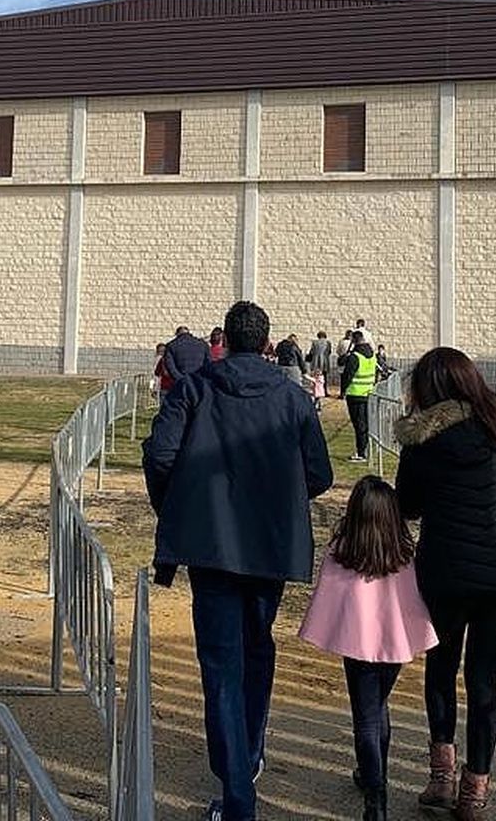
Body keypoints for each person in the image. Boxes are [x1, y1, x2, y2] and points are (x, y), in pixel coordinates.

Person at [142, 301, 333, 821]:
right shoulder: (294, 400)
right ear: (267, 345)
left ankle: (239, 789)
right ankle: (245, 763)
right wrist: (276, 498)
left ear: (224, 338)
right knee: (254, 652)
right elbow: (318, 473)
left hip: (212, 548)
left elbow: (160, 456)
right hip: (267, 547)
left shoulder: (195, 389)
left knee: (223, 666)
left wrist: (183, 507)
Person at [395, 347, 496, 820]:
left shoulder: (423, 440)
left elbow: (408, 506)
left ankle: (441, 776)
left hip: (448, 572)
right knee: (484, 681)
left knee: (442, 672)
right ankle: (476, 790)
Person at [298, 476, 439, 821]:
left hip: (357, 646)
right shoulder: (404, 553)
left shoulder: (343, 551)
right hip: (394, 644)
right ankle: (373, 777)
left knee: (367, 718)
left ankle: (375, 798)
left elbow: (328, 595)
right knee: (377, 710)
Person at [341, 334, 379, 462]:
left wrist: (342, 391)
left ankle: (361, 453)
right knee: (366, 424)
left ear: (354, 342)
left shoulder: (355, 357)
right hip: (368, 393)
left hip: (355, 394)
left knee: (359, 425)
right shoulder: (372, 355)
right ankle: (365, 449)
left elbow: (347, 375)